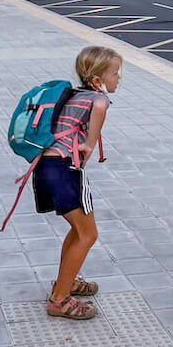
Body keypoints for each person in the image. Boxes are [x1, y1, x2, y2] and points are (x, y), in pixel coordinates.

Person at [35, 45, 121, 321]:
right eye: (115, 74)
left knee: (77, 231)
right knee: (87, 235)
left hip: (46, 169)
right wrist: (90, 144)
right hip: (64, 170)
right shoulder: (97, 99)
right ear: (98, 81)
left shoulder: (74, 94)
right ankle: (59, 300)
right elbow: (98, 112)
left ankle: (67, 283)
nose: (119, 78)